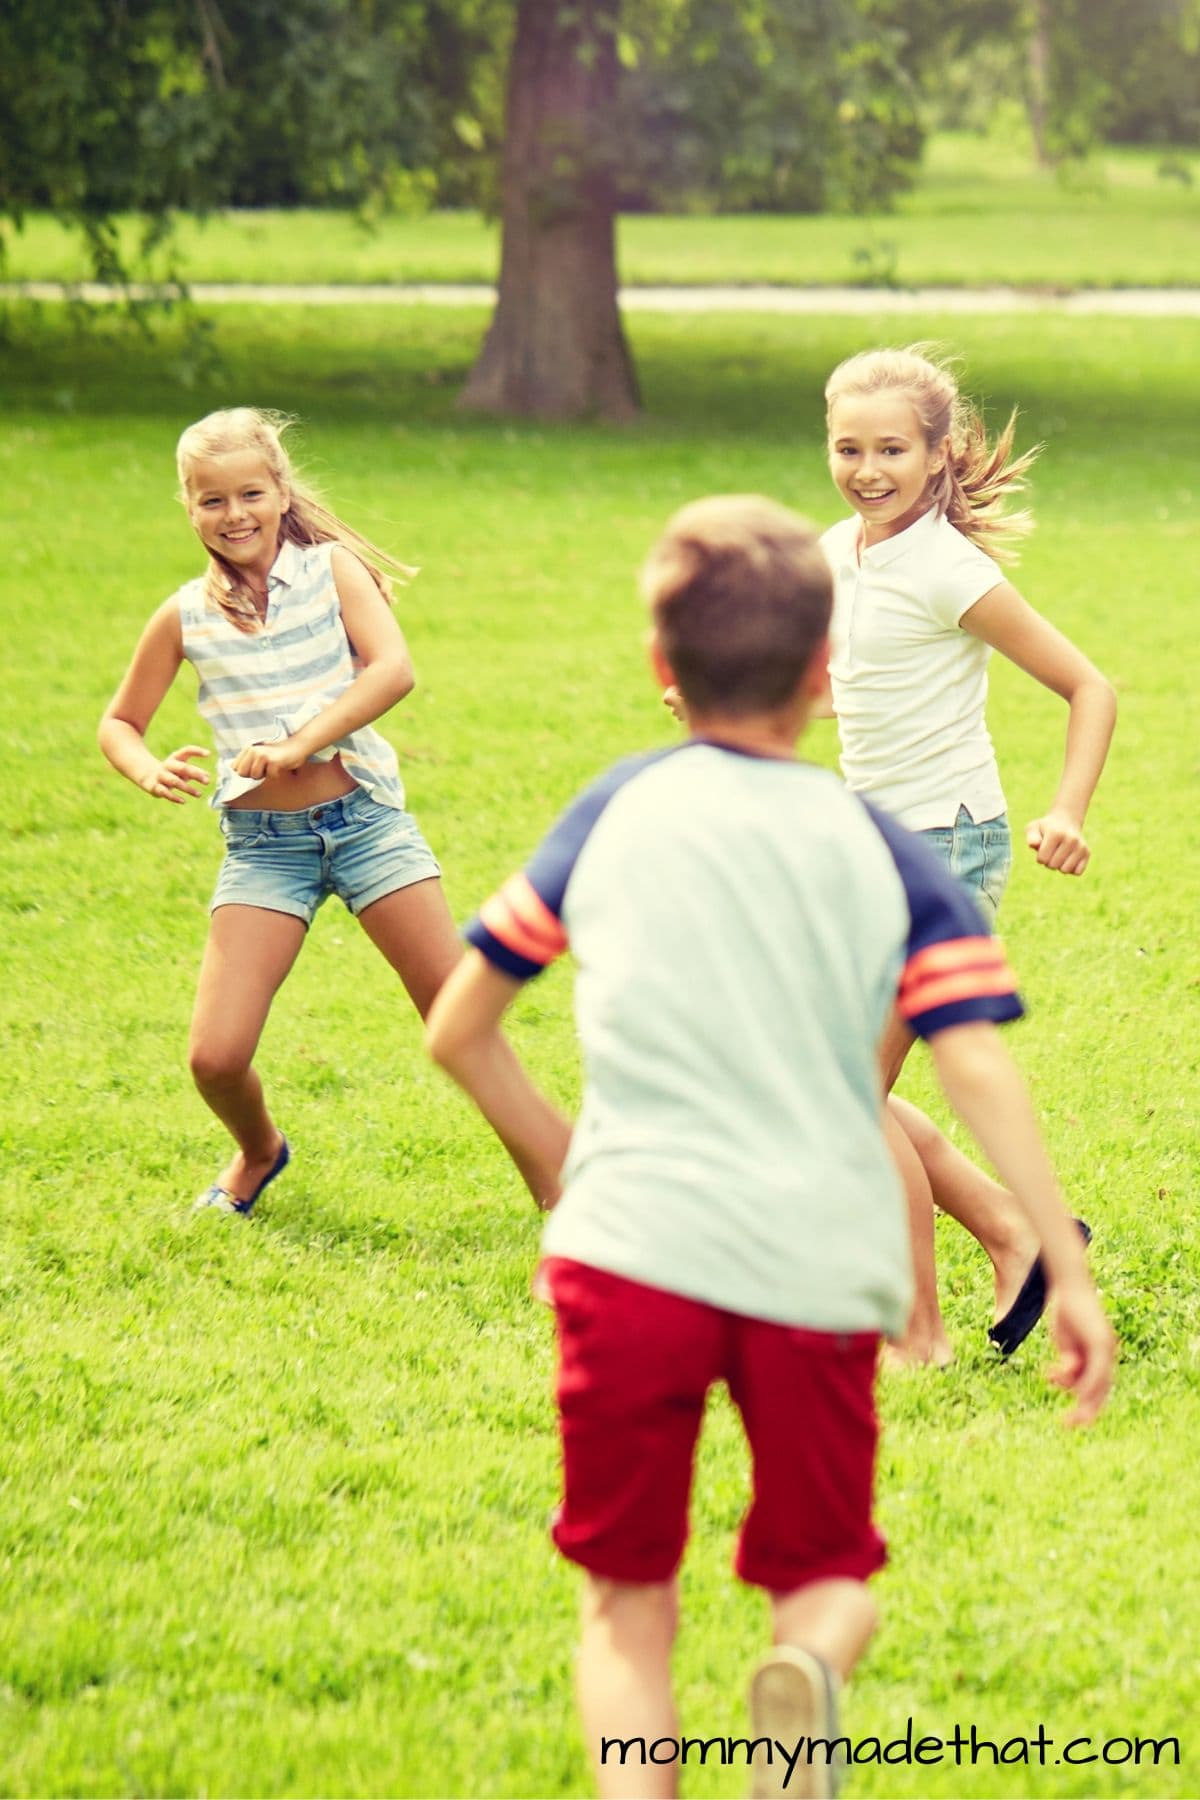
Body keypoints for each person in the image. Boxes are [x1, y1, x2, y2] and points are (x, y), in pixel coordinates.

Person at [426, 496, 1114, 1800]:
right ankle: (804, 1674)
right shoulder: (884, 848)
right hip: (811, 1265)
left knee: (627, 1607)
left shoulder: (611, 812)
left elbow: (460, 1030)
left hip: (628, 1260)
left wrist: (571, 1175)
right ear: (823, 676)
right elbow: (975, 1058)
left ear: (660, 671)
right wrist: (1061, 1268)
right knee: (826, 1578)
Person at [668, 346, 1116, 1365]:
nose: (869, 468)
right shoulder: (843, 552)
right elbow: (845, 686)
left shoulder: (952, 568)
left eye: (891, 450)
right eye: (848, 447)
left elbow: (1091, 687)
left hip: (947, 850)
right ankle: (1013, 1233)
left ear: (936, 453)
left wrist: (1069, 811)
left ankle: (920, 1329)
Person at [98, 406, 465, 1213]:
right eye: (212, 501)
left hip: (365, 824)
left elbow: (392, 671)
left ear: (279, 491)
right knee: (214, 1059)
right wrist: (146, 766)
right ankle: (259, 1151)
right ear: (188, 507)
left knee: (461, 1021)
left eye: (251, 494)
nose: (235, 516)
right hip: (265, 846)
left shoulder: (332, 570)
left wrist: (302, 743)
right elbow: (118, 722)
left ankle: (563, 1194)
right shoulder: (183, 615)